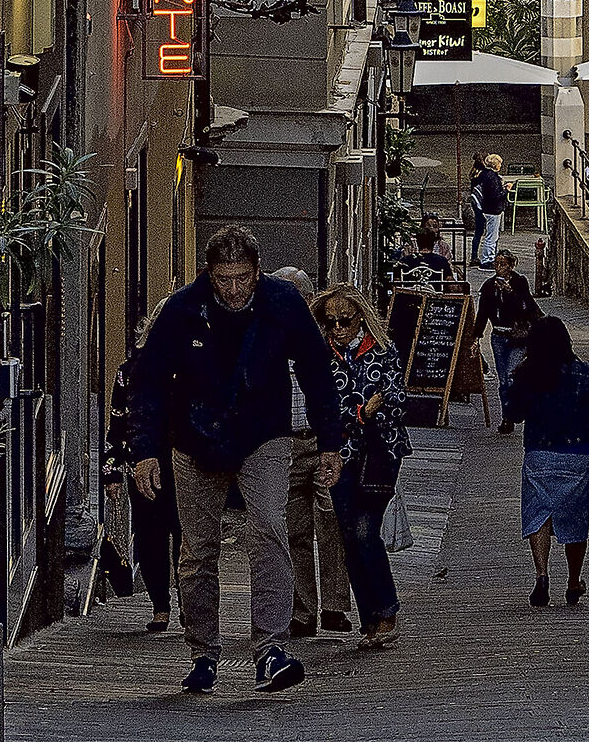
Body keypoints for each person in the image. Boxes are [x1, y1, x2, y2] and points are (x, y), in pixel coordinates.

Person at [129, 223, 343, 698]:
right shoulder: (183, 309)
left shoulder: (283, 303)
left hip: (263, 434)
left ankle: (270, 649)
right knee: (198, 549)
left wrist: (330, 441)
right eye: (223, 279)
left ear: (257, 271)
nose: (233, 289)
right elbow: (149, 382)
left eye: (242, 277)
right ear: (209, 274)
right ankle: (203, 651)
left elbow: (316, 373)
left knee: (268, 529)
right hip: (194, 439)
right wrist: (144, 451)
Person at [312, 287, 411, 651]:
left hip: (380, 454)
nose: (337, 328)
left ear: (360, 318)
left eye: (344, 321)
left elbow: (398, 403)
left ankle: (387, 611)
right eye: (330, 321)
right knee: (348, 535)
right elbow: (321, 407)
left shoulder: (384, 352)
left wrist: (365, 415)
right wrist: (361, 413)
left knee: (365, 530)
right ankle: (371, 618)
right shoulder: (321, 356)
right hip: (337, 455)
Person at [510, 315, 589, 609]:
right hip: (577, 455)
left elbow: (514, 414)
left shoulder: (526, 374)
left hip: (538, 454)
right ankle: (573, 580)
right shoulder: (584, 372)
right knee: (575, 518)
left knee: (539, 513)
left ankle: (542, 574)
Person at [273, 268, 353, 639]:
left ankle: (334, 606)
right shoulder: (268, 338)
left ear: (306, 300)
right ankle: (302, 610)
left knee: (331, 522)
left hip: (320, 442)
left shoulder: (324, 339)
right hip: (284, 443)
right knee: (295, 531)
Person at [103, 309, 181, 632]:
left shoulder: (191, 368)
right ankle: (160, 605)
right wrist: (110, 470)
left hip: (185, 464)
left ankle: (190, 603)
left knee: (187, 536)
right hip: (142, 463)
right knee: (149, 536)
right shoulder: (129, 372)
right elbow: (117, 422)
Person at [471, 247, 536, 432]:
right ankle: (507, 417)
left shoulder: (520, 282)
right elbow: (482, 314)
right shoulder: (489, 286)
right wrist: (476, 337)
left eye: (503, 264)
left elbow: (526, 308)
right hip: (498, 336)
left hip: (517, 337)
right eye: (497, 264)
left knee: (510, 375)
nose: (499, 268)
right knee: (503, 380)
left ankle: (515, 408)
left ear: (511, 266)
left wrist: (510, 292)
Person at [471, 154, 510, 267]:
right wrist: (506, 190)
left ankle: (488, 257)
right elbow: (496, 195)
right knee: (491, 236)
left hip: (486, 208)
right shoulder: (492, 177)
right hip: (493, 209)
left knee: (491, 235)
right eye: (499, 163)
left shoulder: (484, 174)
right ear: (496, 164)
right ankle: (487, 259)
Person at [398, 218, 458, 291]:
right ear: (433, 244)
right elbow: (451, 285)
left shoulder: (404, 261)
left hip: (408, 298)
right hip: (434, 299)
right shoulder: (442, 261)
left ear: (417, 243)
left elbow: (396, 283)